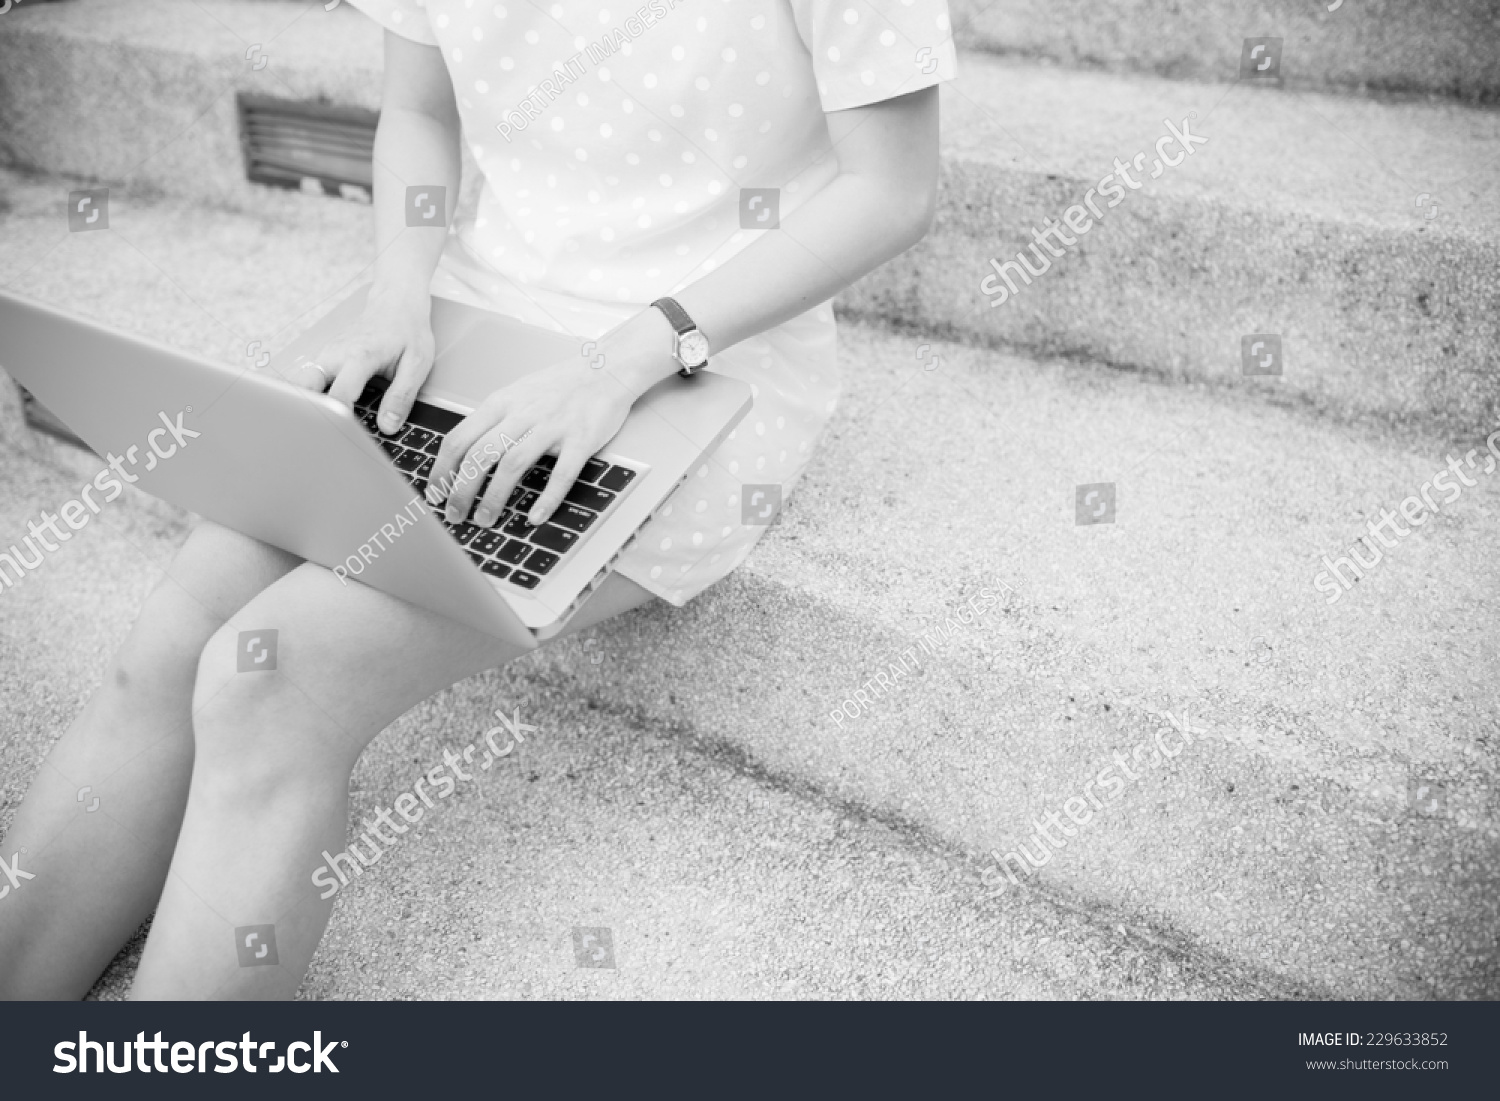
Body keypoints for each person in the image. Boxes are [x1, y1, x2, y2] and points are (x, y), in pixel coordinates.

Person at [0, 0, 955, 999]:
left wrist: (623, 359)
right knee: (177, 635)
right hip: (470, 324)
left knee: (269, 683)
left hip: (700, 359)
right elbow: (421, 111)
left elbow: (891, 189)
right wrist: (398, 293)